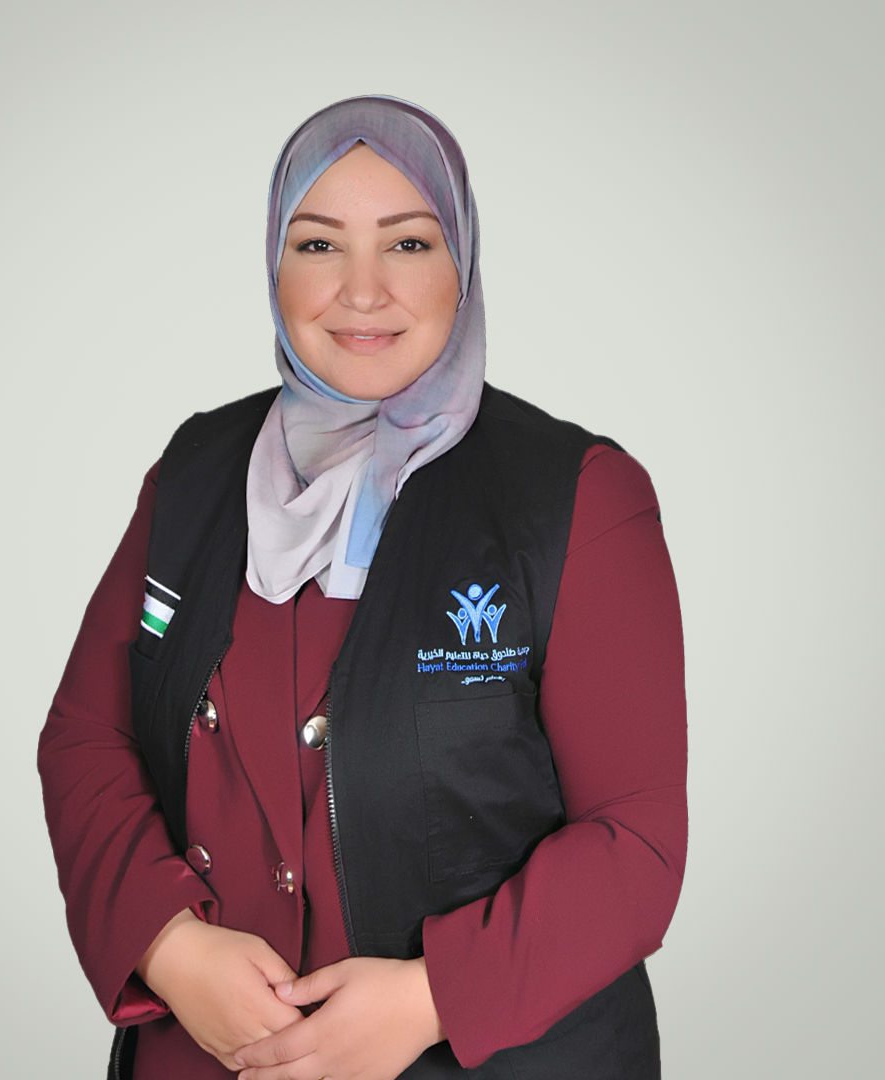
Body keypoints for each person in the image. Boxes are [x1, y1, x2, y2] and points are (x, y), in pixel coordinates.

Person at [39, 95, 687, 1080]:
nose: (362, 291)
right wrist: (167, 945)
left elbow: (634, 842)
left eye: (409, 244)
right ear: (275, 265)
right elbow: (87, 738)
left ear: (463, 262)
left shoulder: (576, 496)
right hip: (207, 1057)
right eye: (318, 245)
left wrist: (431, 999)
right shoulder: (197, 472)